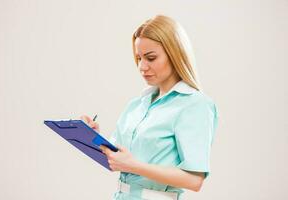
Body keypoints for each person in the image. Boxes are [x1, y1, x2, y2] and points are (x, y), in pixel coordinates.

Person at [81, 15, 219, 200]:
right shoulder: (137, 105)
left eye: (151, 58)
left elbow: (195, 180)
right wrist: (92, 137)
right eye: (138, 58)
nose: (142, 66)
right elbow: (117, 159)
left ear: (175, 54)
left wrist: (134, 166)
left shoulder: (194, 105)